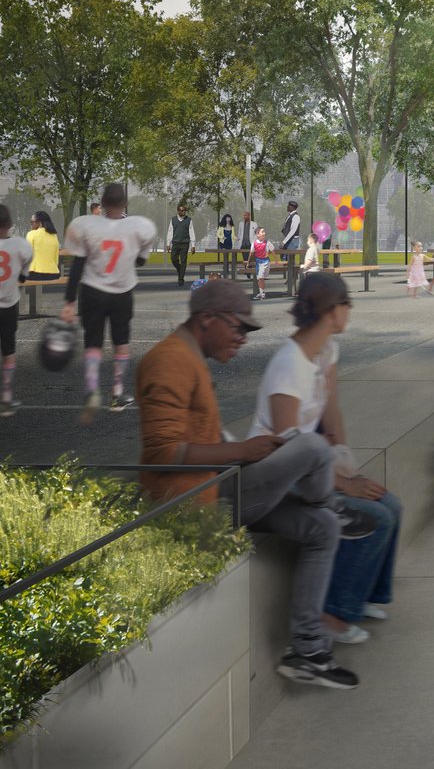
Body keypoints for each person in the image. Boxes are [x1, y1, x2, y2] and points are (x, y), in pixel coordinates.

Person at [136, 279, 370, 690]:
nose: (243, 338)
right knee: (311, 445)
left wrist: (240, 448)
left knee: (323, 529)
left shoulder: (189, 357)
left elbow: (196, 438)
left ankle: (308, 650)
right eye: (239, 328)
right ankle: (328, 501)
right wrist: (242, 452)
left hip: (220, 487)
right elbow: (163, 454)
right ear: (207, 318)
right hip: (199, 503)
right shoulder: (169, 361)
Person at [248, 273, 403, 645]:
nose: (351, 309)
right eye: (347, 302)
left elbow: (329, 409)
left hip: (315, 463)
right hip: (276, 477)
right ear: (333, 311)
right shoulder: (289, 365)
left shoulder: (327, 350)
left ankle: (360, 595)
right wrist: (344, 485)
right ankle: (331, 614)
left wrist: (344, 460)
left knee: (390, 505)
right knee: (375, 518)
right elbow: (288, 450)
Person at [61, 183, 158, 422]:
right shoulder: (138, 227)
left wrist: (69, 302)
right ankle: (116, 393)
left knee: (93, 342)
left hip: (92, 290)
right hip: (121, 291)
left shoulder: (88, 226)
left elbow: (77, 267)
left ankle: (92, 387)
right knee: (121, 342)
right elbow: (140, 262)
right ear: (124, 204)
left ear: (102, 204)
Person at [1, 205, 34, 416]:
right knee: (9, 351)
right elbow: (25, 269)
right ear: (10, 224)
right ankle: (6, 395)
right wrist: (21, 275)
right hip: (8, 304)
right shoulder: (20, 245)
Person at [26, 211, 61, 282]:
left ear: (40, 223)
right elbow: (56, 258)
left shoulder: (31, 234)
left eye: (32, 222)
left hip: (35, 273)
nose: (31, 225)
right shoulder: (54, 236)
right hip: (54, 273)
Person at [168, 203, 195, 287]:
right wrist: (168, 244)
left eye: (185, 210)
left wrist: (193, 245)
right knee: (173, 259)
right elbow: (170, 232)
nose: (184, 212)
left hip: (185, 243)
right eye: (182, 210)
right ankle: (180, 270)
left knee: (183, 261)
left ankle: (181, 279)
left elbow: (192, 232)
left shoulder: (189, 220)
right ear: (178, 211)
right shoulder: (173, 220)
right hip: (175, 243)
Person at [217, 213, 236, 279]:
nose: (228, 219)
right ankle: (225, 270)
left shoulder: (232, 226)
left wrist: (236, 238)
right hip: (223, 243)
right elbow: (218, 234)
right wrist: (222, 237)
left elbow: (233, 236)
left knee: (228, 256)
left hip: (229, 243)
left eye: (229, 218)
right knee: (225, 256)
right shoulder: (222, 226)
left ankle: (227, 269)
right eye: (227, 218)